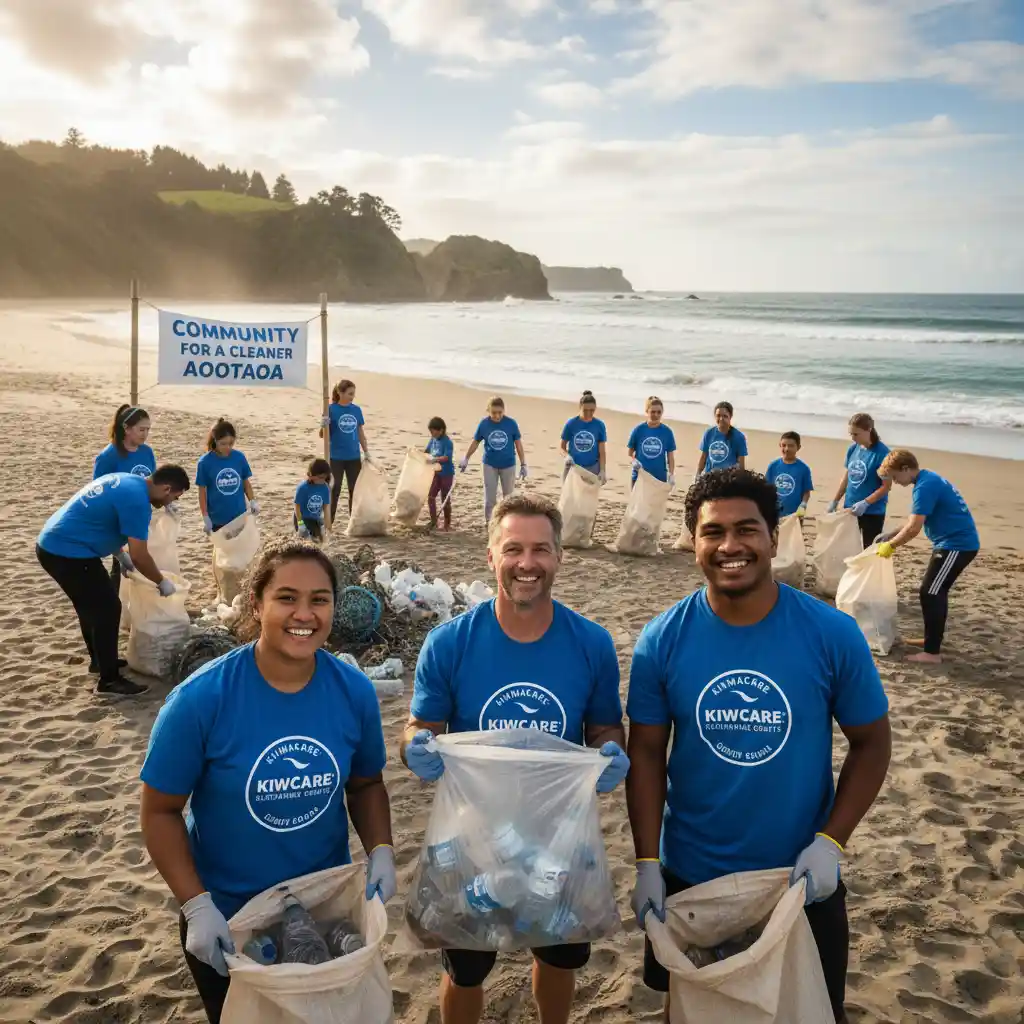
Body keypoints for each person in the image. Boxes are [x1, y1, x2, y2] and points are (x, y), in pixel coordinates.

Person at [625, 468, 891, 1024]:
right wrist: (648, 861)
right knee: (692, 1008)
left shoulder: (831, 634)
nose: (730, 546)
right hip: (692, 877)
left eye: (747, 530)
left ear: (773, 537)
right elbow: (646, 753)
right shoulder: (662, 639)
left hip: (796, 878)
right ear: (693, 541)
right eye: (712, 532)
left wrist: (831, 844)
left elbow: (871, 744)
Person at [140, 540, 397, 1024]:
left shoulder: (353, 691)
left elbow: (365, 784)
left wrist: (380, 848)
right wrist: (196, 906)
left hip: (324, 904)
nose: (304, 613)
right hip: (232, 917)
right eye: (286, 597)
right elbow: (159, 811)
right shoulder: (200, 700)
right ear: (256, 604)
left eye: (319, 599)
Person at [400, 493, 629, 1024]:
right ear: (491, 557)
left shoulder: (591, 644)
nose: (528, 563)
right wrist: (414, 747)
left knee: (559, 951)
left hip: (559, 839)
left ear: (559, 558)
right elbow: (420, 727)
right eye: (514, 549)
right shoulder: (449, 643)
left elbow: (603, 726)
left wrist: (607, 753)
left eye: (541, 550)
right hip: (470, 839)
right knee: (466, 966)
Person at [36, 465, 190, 696]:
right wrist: (160, 581)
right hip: (68, 552)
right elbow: (140, 554)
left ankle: (99, 662)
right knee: (107, 608)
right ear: (166, 488)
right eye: (173, 497)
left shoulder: (127, 480)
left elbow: (103, 519)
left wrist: (119, 554)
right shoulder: (138, 502)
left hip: (54, 543)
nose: (169, 503)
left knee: (90, 606)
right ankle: (109, 681)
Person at [875, 450, 980, 664]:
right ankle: (930, 641)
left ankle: (932, 652)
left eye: (895, 477)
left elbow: (914, 528)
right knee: (933, 591)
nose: (894, 482)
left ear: (906, 469)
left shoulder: (925, 486)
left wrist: (891, 546)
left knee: (931, 592)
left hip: (957, 545)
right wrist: (890, 535)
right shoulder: (927, 479)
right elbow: (913, 519)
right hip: (951, 543)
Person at [94, 404, 159, 586]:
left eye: (148, 430)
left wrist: (166, 503)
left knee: (142, 567)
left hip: (140, 518)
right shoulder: (108, 456)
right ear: (126, 428)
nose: (145, 434)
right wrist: (119, 552)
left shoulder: (147, 452)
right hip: (118, 521)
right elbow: (98, 493)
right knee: (121, 571)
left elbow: (152, 484)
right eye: (141, 429)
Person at [459, 396, 527, 523]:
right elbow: (475, 442)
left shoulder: (511, 424)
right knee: (490, 498)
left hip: (508, 465)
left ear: (504, 410)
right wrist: (466, 458)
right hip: (489, 465)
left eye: (500, 412)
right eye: (494, 413)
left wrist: (523, 464)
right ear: (488, 411)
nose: (497, 416)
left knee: (509, 498)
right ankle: (489, 523)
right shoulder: (484, 424)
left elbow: (518, 444)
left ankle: (508, 523)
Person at [828, 413, 890, 547]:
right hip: (850, 508)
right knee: (847, 546)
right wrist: (835, 500)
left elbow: (886, 487)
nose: (853, 438)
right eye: (851, 434)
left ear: (869, 430)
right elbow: (847, 477)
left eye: (856, 434)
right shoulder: (853, 449)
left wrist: (866, 503)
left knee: (869, 548)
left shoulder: (882, 454)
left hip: (873, 512)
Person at [196, 418, 257, 535]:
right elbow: (202, 492)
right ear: (215, 440)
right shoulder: (205, 462)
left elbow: (246, 483)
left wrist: (253, 501)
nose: (227, 447)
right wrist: (205, 516)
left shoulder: (239, 458)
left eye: (231, 443)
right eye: (223, 444)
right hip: (218, 519)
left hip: (239, 516)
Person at [320, 379, 369, 521]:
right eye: (349, 394)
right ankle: (330, 520)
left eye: (353, 394)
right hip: (336, 457)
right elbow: (323, 435)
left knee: (355, 490)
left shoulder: (356, 410)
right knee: (334, 489)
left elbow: (360, 432)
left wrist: (366, 451)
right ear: (340, 393)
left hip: (353, 457)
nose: (352, 397)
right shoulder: (330, 409)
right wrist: (324, 425)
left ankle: (354, 521)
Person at [627, 396, 676, 487]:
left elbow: (670, 457)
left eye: (659, 412)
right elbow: (630, 452)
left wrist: (671, 474)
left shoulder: (667, 432)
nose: (656, 415)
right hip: (639, 477)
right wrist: (633, 461)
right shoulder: (638, 430)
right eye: (653, 412)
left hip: (659, 478)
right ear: (647, 411)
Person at [561, 390, 607, 483]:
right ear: (580, 407)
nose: (588, 414)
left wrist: (603, 471)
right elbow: (562, 447)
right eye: (585, 410)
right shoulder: (571, 423)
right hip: (573, 467)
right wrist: (567, 456)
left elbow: (602, 452)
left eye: (592, 410)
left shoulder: (599, 425)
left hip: (592, 469)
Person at [765, 430, 814, 518]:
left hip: (794, 514)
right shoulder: (773, 466)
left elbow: (806, 491)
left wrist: (803, 504)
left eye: (791, 446)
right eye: (784, 445)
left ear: (798, 447)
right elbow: (766, 488)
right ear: (780, 445)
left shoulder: (804, 469)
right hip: (775, 513)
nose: (787, 449)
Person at [696, 401, 747, 475]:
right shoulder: (709, 433)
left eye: (725, 416)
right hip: (709, 478)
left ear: (730, 416)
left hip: (728, 479)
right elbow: (703, 457)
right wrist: (698, 474)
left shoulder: (739, 437)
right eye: (718, 415)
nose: (721, 419)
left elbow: (741, 466)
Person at [426, 416, 455, 531]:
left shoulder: (447, 442)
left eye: (433, 431)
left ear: (441, 430)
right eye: (431, 432)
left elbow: (446, 457)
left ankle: (447, 523)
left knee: (445, 499)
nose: (432, 434)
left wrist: (435, 459)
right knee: (431, 497)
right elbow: (426, 452)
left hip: (446, 474)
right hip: (435, 474)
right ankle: (434, 521)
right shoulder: (432, 440)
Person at [294, 458, 332, 542]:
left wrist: (328, 527)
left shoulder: (325, 488)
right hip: (302, 518)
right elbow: (297, 507)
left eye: (325, 478)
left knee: (319, 541)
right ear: (311, 475)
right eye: (321, 477)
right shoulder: (303, 488)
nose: (323, 480)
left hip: (315, 519)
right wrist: (300, 524)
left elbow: (326, 509)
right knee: (306, 542)